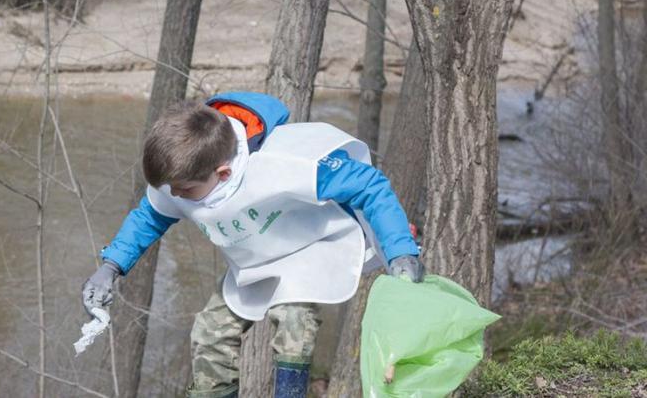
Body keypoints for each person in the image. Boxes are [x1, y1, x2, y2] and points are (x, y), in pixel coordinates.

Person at [81, 92, 424, 398]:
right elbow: (149, 217)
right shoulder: (181, 177)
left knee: (294, 321)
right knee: (210, 332)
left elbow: (370, 186)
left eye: (183, 190)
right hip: (254, 260)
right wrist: (111, 267)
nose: (176, 196)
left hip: (312, 248)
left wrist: (400, 250)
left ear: (223, 173)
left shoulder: (287, 164)